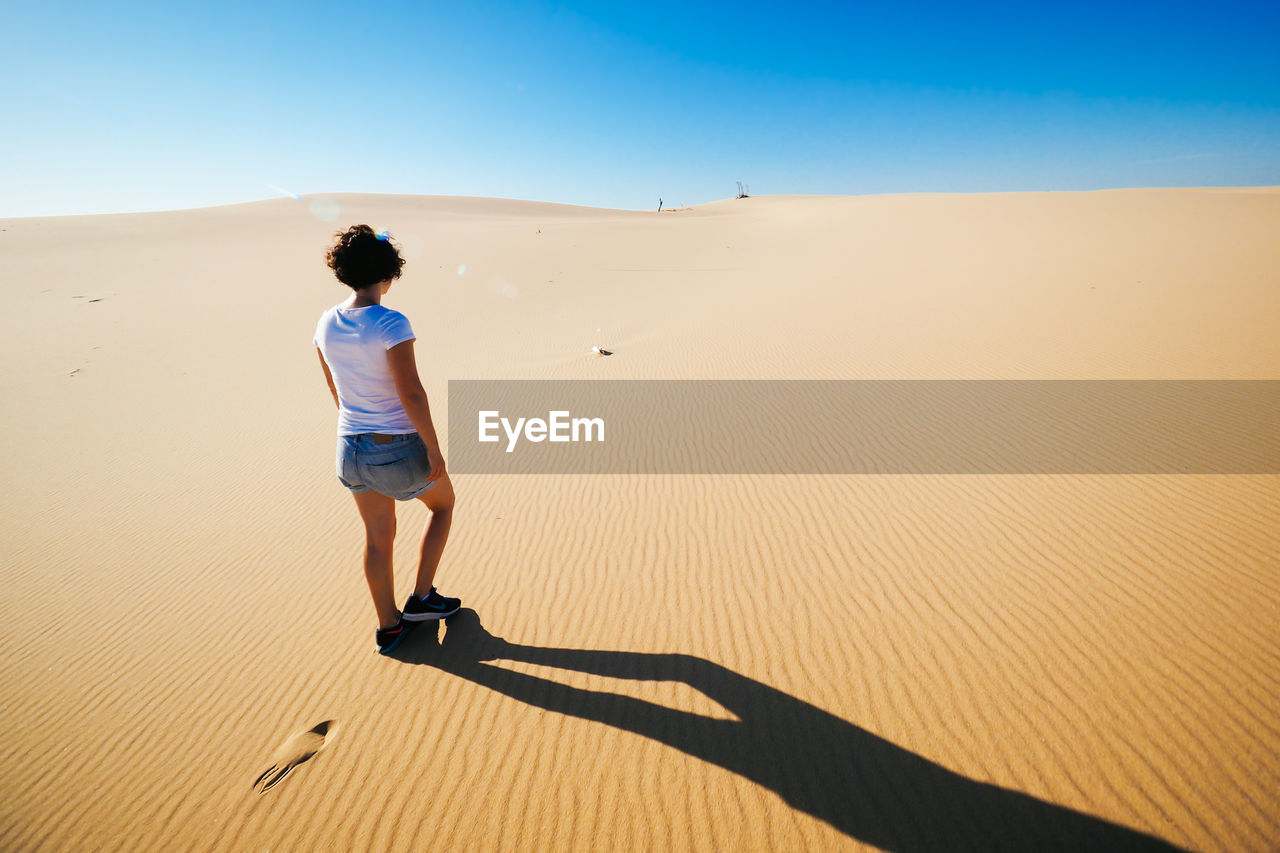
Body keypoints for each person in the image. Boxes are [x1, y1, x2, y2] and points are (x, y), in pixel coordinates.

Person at [314, 224, 460, 655]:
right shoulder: (390, 322)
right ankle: (422, 599)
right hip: (393, 444)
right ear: (388, 273)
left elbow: (334, 389)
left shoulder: (326, 322)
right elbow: (411, 392)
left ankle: (388, 627)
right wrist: (433, 448)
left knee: (378, 537)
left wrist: (357, 426)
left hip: (348, 447)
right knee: (444, 505)